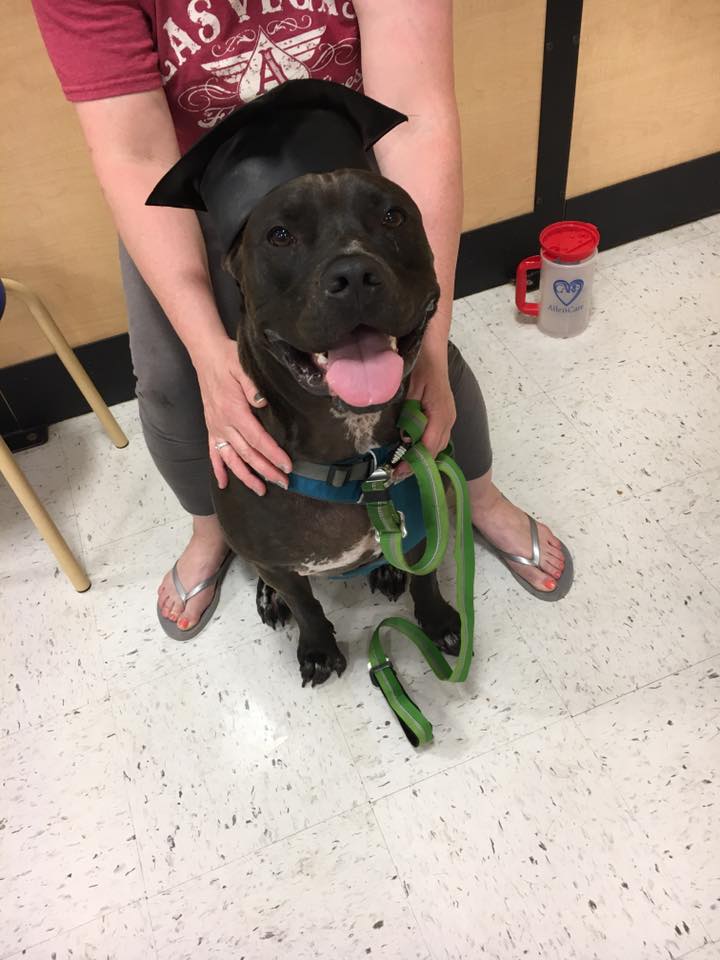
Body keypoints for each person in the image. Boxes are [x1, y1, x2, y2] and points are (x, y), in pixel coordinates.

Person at [32, 1, 572, 636]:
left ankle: (478, 496)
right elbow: (134, 152)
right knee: (171, 379)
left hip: (345, 161)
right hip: (199, 191)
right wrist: (207, 352)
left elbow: (415, 109)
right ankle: (216, 529)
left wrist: (429, 332)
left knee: (427, 355)